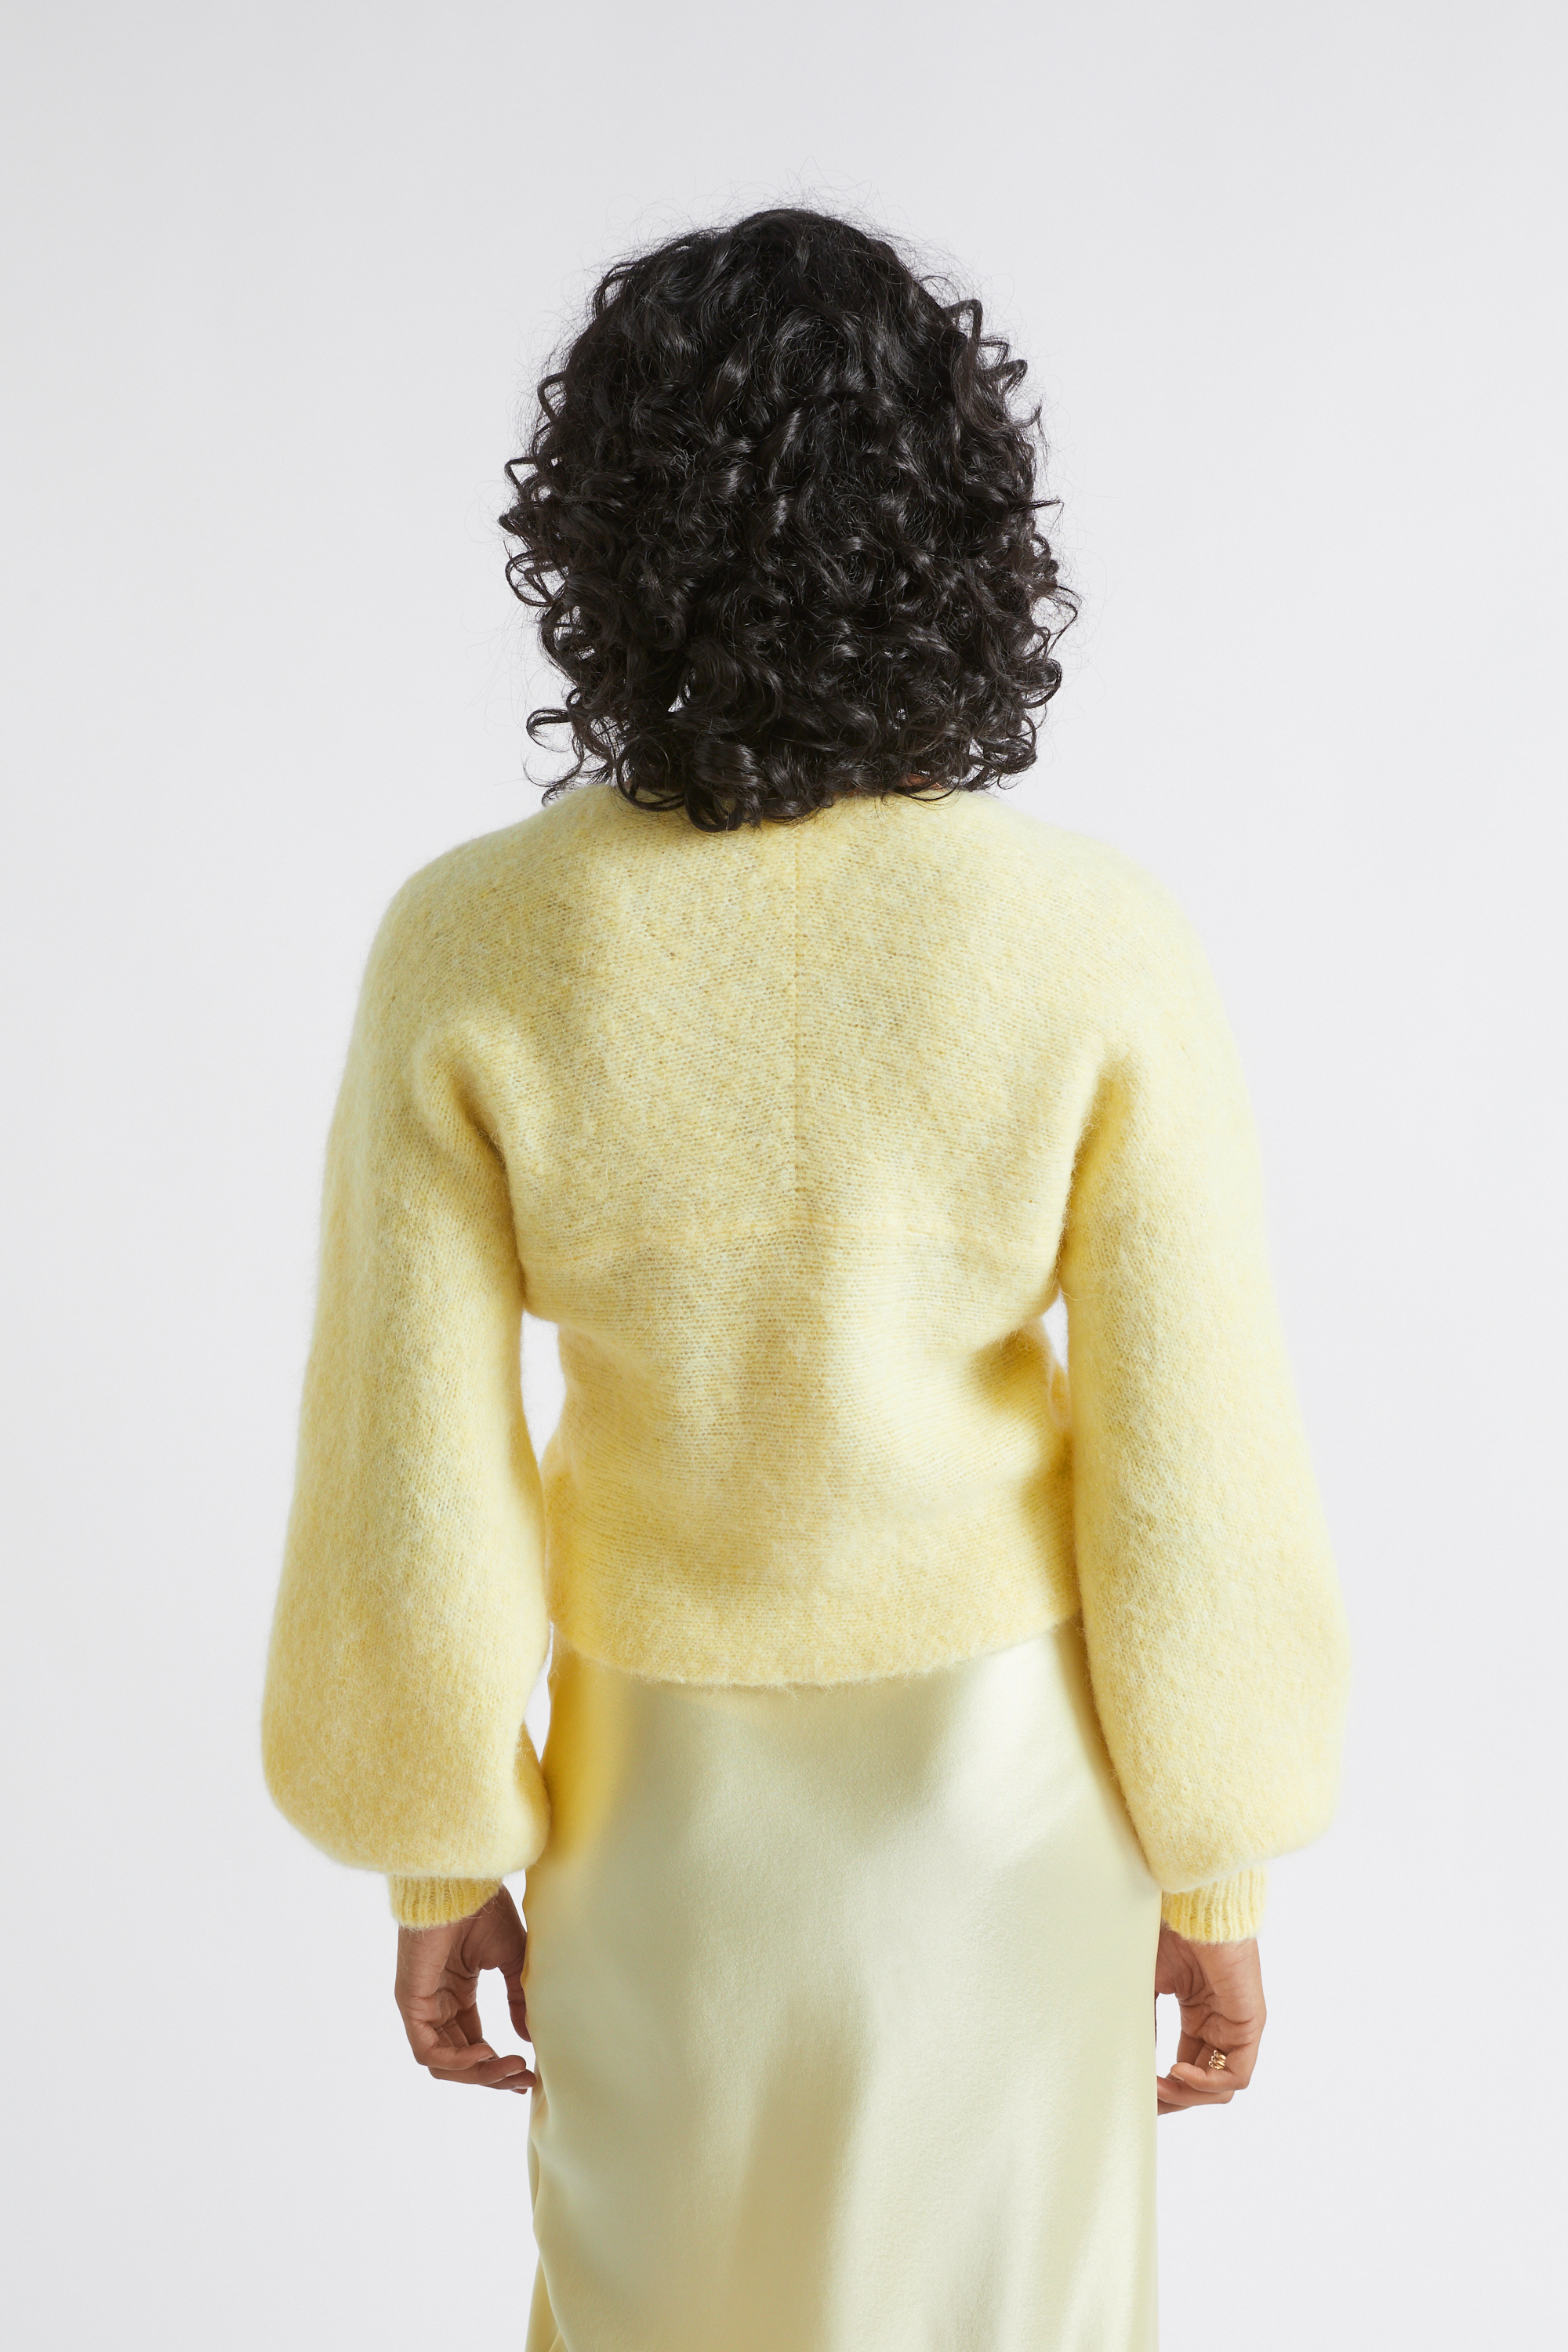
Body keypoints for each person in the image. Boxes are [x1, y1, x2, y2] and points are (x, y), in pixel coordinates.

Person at [261, 205, 1350, 2352]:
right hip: (1016, 1814)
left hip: (656, 1822)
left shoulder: (474, 944)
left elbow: (409, 1461)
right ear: (960, 537)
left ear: (606, 537)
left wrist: (436, 1851)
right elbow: (1197, 1458)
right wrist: (1212, 1862)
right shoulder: (1090, 941)